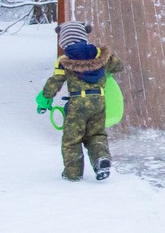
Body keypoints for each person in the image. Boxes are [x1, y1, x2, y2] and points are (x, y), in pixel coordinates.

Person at [36, 20, 124, 181]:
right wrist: (105, 69)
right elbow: (119, 66)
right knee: (96, 134)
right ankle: (100, 159)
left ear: (64, 41)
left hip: (77, 103)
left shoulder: (64, 61)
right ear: (84, 36)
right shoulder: (102, 55)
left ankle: (73, 173)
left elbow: (54, 83)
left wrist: (44, 100)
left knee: (72, 139)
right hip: (99, 101)